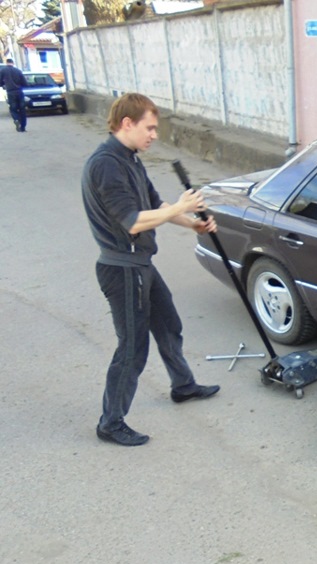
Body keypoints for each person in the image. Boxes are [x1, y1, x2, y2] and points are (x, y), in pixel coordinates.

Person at [82, 93, 220, 447]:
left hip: (141, 263)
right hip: (122, 268)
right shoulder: (106, 165)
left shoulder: (129, 158)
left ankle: (183, 385)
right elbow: (133, 221)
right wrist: (182, 204)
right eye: (150, 127)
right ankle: (110, 422)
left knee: (168, 323)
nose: (154, 135)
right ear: (127, 124)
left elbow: (155, 204)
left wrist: (192, 224)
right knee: (132, 347)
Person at [0, 58, 28, 132]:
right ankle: (23, 127)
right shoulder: (18, 71)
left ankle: (16, 119)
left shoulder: (3, 70)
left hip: (10, 92)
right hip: (19, 91)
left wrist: (4, 85)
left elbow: (0, 82)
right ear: (13, 63)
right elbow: (25, 83)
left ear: (6, 63)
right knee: (22, 109)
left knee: (13, 108)